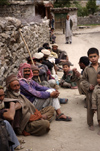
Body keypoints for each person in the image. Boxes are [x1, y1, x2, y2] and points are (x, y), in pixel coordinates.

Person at [81, 47, 100, 131]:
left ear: (98, 56)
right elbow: (83, 80)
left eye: (94, 56)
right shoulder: (87, 69)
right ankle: (90, 123)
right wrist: (89, 86)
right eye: (91, 57)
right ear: (88, 58)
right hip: (91, 92)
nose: (93, 58)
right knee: (90, 108)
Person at [0, 86, 23, 151]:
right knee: (5, 123)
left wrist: (12, 109)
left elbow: (20, 104)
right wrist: (12, 105)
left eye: (3, 95)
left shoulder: (3, 102)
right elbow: (10, 116)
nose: (1, 98)